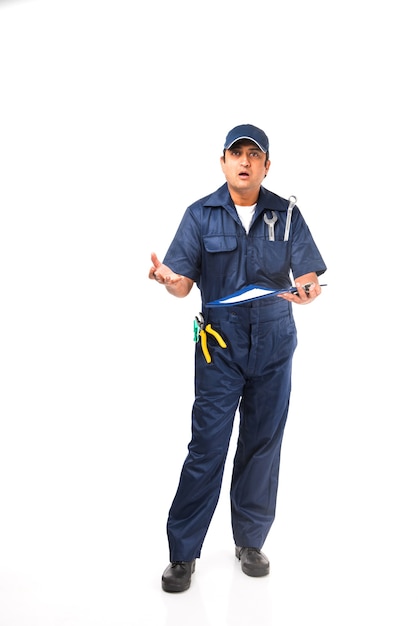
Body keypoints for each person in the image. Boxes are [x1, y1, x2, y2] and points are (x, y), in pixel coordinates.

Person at [149, 123, 327, 593]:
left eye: (255, 155)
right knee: (207, 447)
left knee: (261, 444)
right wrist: (170, 280)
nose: (245, 161)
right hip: (219, 349)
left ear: (267, 165)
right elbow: (184, 283)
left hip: (273, 343)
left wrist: (307, 291)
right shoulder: (199, 215)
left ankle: (250, 540)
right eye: (236, 153)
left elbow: (306, 273)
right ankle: (183, 553)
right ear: (223, 162)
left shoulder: (286, 214)